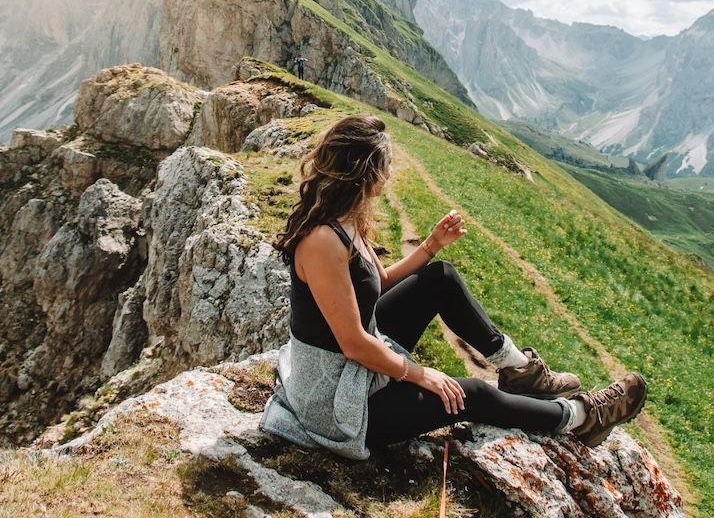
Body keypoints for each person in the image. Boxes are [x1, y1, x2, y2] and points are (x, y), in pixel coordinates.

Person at [260, 114, 647, 459]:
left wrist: (430, 247)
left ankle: (518, 370)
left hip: (356, 366)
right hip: (336, 401)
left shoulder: (347, 220)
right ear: (365, 171)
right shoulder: (323, 242)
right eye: (386, 165)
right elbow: (353, 343)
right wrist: (419, 373)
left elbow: (380, 284)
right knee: (469, 395)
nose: (390, 173)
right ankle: (582, 417)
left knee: (439, 276)